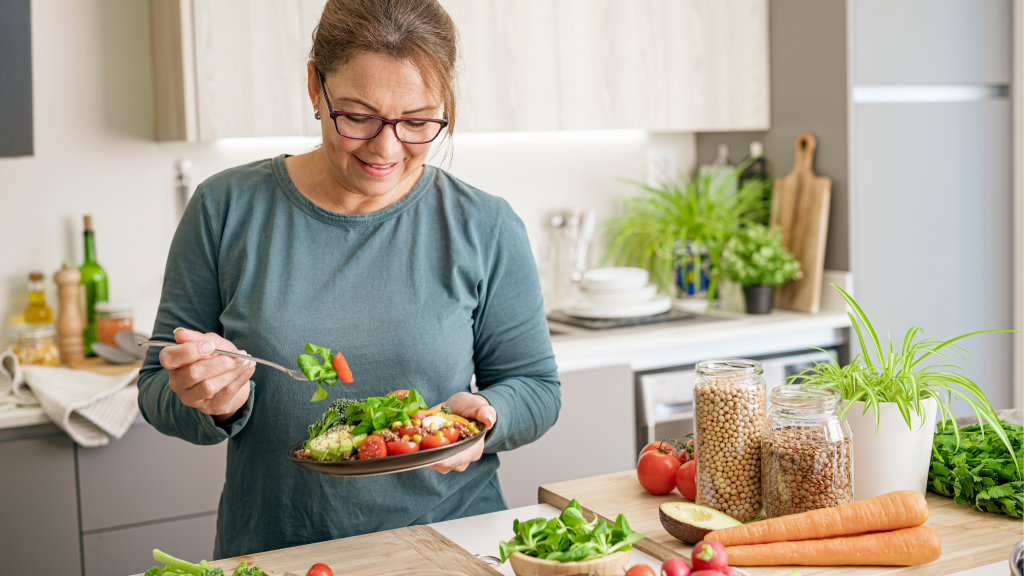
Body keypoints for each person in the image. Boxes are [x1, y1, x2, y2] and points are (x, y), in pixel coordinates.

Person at [137, 0, 561, 559]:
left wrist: (488, 417)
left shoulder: (484, 224)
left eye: (417, 122)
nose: (385, 149)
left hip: (450, 544)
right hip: (278, 552)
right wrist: (214, 402)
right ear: (316, 87)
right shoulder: (226, 207)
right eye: (358, 116)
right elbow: (155, 388)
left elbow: (536, 387)